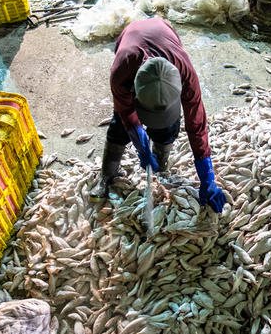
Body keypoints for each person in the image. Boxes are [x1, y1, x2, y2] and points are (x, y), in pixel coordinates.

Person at [90, 17, 226, 213]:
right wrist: (142, 147)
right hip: (132, 36)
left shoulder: (186, 74)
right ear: (135, 93)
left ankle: (160, 167)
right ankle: (106, 175)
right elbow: (127, 113)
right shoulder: (121, 72)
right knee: (119, 126)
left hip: (163, 32)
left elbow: (196, 125)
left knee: (168, 128)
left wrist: (207, 177)